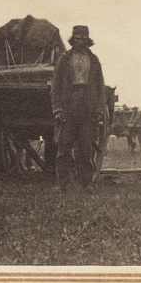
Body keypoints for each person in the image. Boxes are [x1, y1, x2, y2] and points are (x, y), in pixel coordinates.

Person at [51, 25, 106, 188]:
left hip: (88, 107)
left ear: (88, 40)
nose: (80, 42)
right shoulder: (64, 59)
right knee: (64, 147)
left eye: (83, 39)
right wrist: (58, 109)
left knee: (85, 147)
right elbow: (56, 86)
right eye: (77, 38)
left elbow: (100, 87)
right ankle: (63, 183)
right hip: (69, 105)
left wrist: (99, 110)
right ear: (72, 40)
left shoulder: (94, 60)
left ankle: (85, 183)